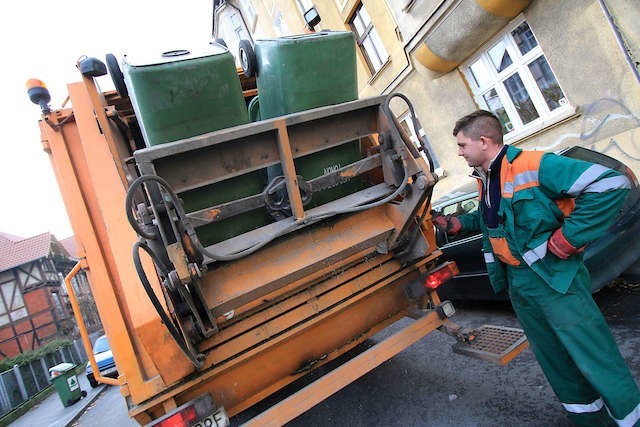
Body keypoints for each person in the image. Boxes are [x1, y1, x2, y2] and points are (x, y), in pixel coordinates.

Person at [433, 110, 640, 426]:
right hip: (519, 284)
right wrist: (457, 222)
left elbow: (612, 183)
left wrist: (569, 237)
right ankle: (589, 421)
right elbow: (493, 220)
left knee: (594, 356)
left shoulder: (532, 165)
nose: (459, 152)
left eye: (462, 145)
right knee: (555, 360)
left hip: (555, 280)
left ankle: (630, 420)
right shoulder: (487, 179)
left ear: (484, 141)